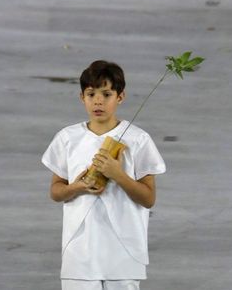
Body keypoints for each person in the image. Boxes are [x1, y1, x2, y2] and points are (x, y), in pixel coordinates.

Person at [41, 60, 166, 290]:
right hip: (79, 251)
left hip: (124, 251)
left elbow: (148, 199)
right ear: (82, 97)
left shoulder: (137, 139)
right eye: (91, 94)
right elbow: (56, 192)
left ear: (120, 96)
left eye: (106, 94)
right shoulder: (67, 138)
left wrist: (118, 175)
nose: (98, 101)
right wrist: (76, 187)